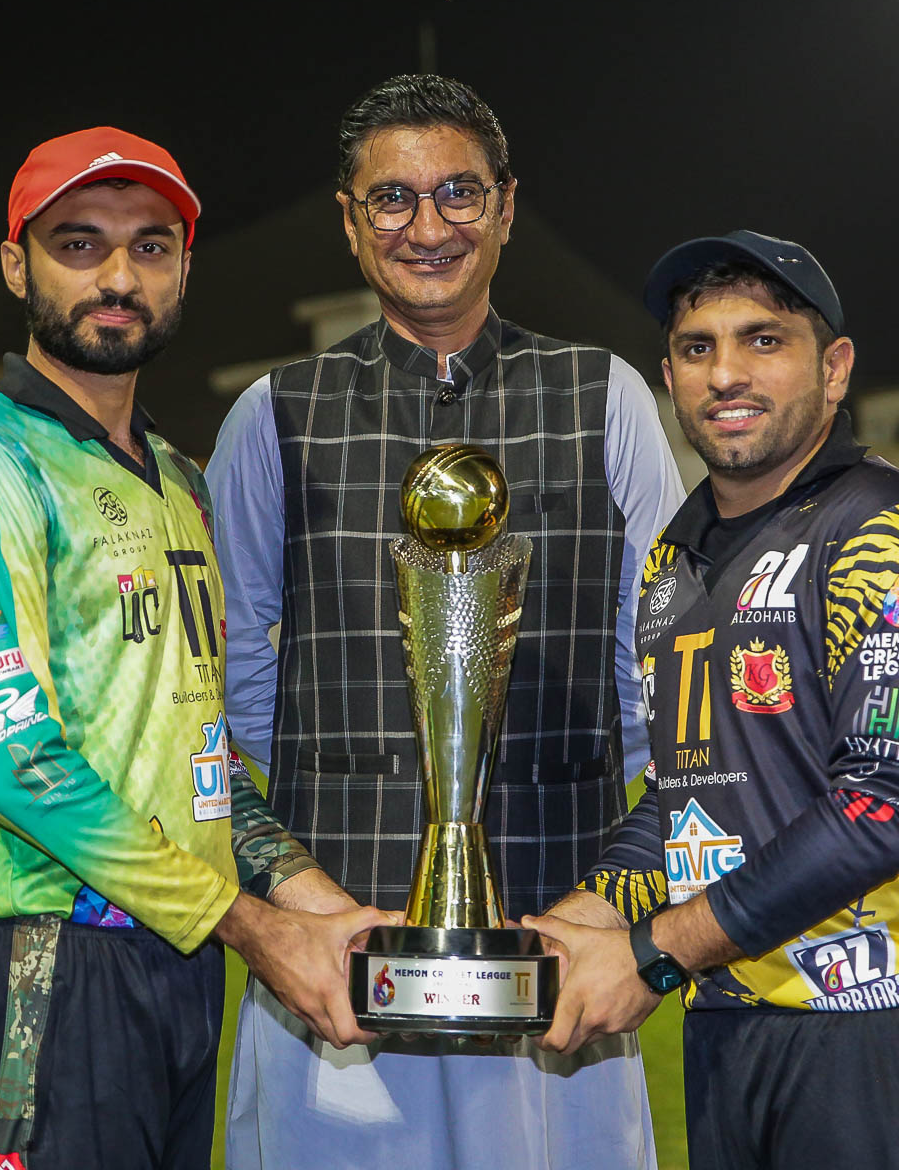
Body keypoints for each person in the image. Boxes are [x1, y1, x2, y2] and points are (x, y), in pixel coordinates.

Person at [207, 74, 684, 1170]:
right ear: (349, 219)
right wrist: (313, 857)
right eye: (392, 198)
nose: (427, 227)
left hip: (553, 952)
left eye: (458, 192)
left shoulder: (607, 396)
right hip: (338, 961)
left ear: (506, 207)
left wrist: (606, 880)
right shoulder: (272, 415)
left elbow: (658, 677)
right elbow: (229, 679)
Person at [0, 126, 390, 1170]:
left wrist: (320, 904)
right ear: (16, 265)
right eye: (79, 245)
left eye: (151, 247)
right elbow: (18, 764)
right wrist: (253, 928)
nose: (119, 278)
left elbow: (199, 756)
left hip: (181, 963)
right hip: (49, 963)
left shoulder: (179, 479)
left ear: (182, 271)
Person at [525, 230, 899, 1168]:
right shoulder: (672, 563)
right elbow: (686, 795)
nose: (725, 374)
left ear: (833, 369)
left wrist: (655, 951)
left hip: (883, 1030)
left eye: (763, 340)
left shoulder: (886, 527)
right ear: (668, 376)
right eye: (696, 347)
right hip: (728, 1027)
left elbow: (886, 802)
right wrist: (592, 913)